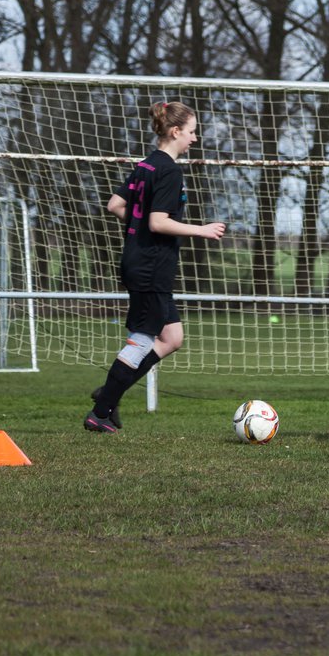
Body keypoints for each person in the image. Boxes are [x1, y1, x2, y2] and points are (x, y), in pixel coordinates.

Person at [84, 101, 226, 433]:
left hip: (144, 263)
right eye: (192, 132)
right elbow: (159, 222)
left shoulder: (146, 165)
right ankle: (101, 411)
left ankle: (110, 390)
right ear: (176, 132)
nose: (194, 139)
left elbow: (115, 205)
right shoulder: (169, 171)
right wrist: (200, 230)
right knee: (144, 337)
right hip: (150, 267)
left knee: (173, 337)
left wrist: (140, 228)